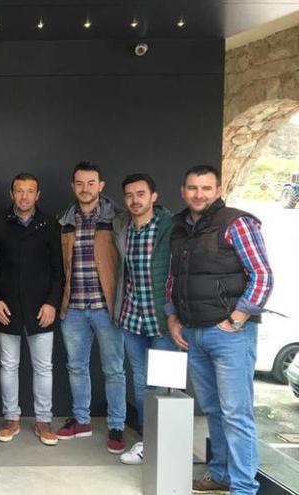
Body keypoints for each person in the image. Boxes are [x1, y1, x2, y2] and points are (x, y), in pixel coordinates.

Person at [167, 165, 273, 495]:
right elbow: (173, 278)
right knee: (213, 409)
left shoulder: (236, 222)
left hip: (230, 336)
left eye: (206, 188)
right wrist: (173, 316)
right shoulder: (179, 228)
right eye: (193, 188)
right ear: (183, 190)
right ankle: (219, 475)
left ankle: (243, 487)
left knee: (236, 414)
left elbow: (263, 276)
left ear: (218, 189)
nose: (199, 194)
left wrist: (237, 319)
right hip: (194, 333)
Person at [54, 161, 127, 455]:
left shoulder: (118, 220)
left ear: (101, 186)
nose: (86, 189)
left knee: (113, 370)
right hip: (73, 308)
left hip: (106, 307)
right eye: (80, 184)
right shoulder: (64, 221)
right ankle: (82, 420)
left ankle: (117, 425)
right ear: (73, 187)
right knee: (76, 367)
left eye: (91, 183)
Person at [0, 173, 63, 447]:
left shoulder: (50, 224)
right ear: (12, 194)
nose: (24, 196)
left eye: (30, 191)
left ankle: (43, 420)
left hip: (42, 309)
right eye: (19, 191)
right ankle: (12, 419)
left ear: (38, 195)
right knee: (8, 366)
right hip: (6, 308)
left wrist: (52, 303)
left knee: (43, 367)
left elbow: (59, 270)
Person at [111, 174, 176, 465]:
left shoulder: (171, 227)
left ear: (154, 196)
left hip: (164, 321)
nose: (135, 200)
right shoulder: (122, 226)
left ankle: (169, 446)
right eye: (129, 195)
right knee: (141, 384)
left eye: (141, 194)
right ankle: (148, 442)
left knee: (167, 385)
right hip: (132, 319)